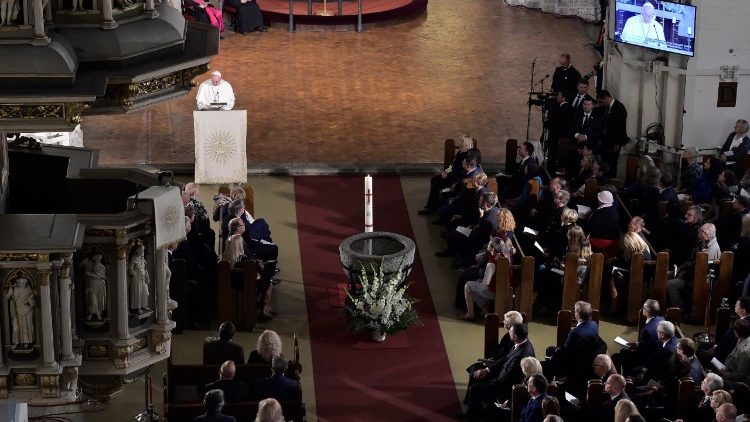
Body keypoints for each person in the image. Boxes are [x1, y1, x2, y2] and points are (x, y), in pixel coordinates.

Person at [463, 323, 535, 422]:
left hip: (505, 387)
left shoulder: (522, 354)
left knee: (474, 389)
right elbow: (505, 359)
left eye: (510, 331)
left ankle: (472, 419)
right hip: (502, 376)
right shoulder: (522, 343)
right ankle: (474, 412)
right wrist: (487, 370)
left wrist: (490, 381)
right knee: (475, 374)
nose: (508, 331)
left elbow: (507, 379)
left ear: (515, 336)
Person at [667, 223, 721, 312]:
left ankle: (681, 311)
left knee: (671, 284)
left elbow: (701, 271)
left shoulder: (712, 249)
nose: (698, 231)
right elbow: (690, 261)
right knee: (669, 275)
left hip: (699, 280)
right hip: (692, 274)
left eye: (700, 230)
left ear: (706, 234)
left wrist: (683, 275)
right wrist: (678, 270)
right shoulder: (702, 242)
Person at [420, 135, 474, 214]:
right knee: (434, 179)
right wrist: (445, 171)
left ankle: (432, 207)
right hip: (451, 175)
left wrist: (455, 182)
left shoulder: (466, 156)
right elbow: (452, 166)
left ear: (465, 143)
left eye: (460, 141)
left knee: (435, 182)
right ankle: (432, 205)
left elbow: (464, 172)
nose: (458, 142)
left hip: (455, 179)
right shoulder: (460, 152)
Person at [597, 90, 628, 177]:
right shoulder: (605, 108)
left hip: (614, 142)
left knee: (612, 164)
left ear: (606, 98)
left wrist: (617, 143)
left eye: (601, 101)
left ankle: (611, 183)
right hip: (605, 141)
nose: (601, 104)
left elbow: (621, 127)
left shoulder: (619, 108)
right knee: (604, 163)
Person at [719, 319, 750, 389]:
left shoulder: (744, 352)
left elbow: (740, 375)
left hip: (741, 383)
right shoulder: (742, 339)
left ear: (736, 332)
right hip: (731, 368)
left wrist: (724, 373)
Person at [7, 276, 35, 348]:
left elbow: (32, 303)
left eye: (24, 283)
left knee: (26, 327)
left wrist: (29, 300)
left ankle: (26, 342)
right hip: (17, 310)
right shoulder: (13, 288)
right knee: (16, 328)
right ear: (18, 282)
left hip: (26, 310)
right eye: (21, 283)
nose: (22, 284)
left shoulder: (28, 289)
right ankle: (16, 342)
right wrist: (11, 293)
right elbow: (7, 297)